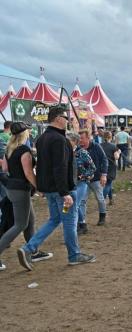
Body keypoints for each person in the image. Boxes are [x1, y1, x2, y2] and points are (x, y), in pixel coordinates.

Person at [17, 106, 96, 271]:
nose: (68, 120)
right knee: (69, 222)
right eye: (66, 117)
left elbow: (43, 165)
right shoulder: (60, 140)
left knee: (54, 219)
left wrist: (42, 187)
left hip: (50, 189)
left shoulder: (42, 138)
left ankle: (28, 248)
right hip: (62, 190)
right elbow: (59, 168)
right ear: (58, 118)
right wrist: (65, 192)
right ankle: (74, 255)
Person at [0, 122, 53, 271]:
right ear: (25, 133)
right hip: (20, 190)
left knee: (30, 220)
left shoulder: (9, 149)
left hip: (11, 188)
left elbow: (5, 169)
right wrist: (39, 187)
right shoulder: (24, 150)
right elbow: (28, 173)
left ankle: (32, 250)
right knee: (20, 224)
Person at [66, 132, 96, 236]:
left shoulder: (82, 152)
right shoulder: (65, 152)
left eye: (68, 140)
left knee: (75, 205)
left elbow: (92, 168)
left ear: (74, 142)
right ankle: (82, 224)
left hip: (81, 183)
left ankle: (76, 227)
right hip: (69, 183)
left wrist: (83, 176)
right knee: (71, 205)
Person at [78, 129, 108, 227]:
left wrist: (104, 174)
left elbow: (104, 160)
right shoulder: (78, 149)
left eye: (82, 138)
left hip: (96, 178)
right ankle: (82, 222)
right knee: (82, 201)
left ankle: (102, 216)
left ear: (88, 138)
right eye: (79, 138)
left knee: (100, 198)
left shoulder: (96, 146)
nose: (80, 140)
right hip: (83, 180)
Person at [101, 131, 120, 206]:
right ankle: (102, 200)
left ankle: (111, 199)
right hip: (111, 166)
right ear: (110, 137)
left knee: (109, 183)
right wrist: (119, 152)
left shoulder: (99, 145)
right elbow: (116, 157)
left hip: (102, 167)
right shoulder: (113, 146)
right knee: (108, 183)